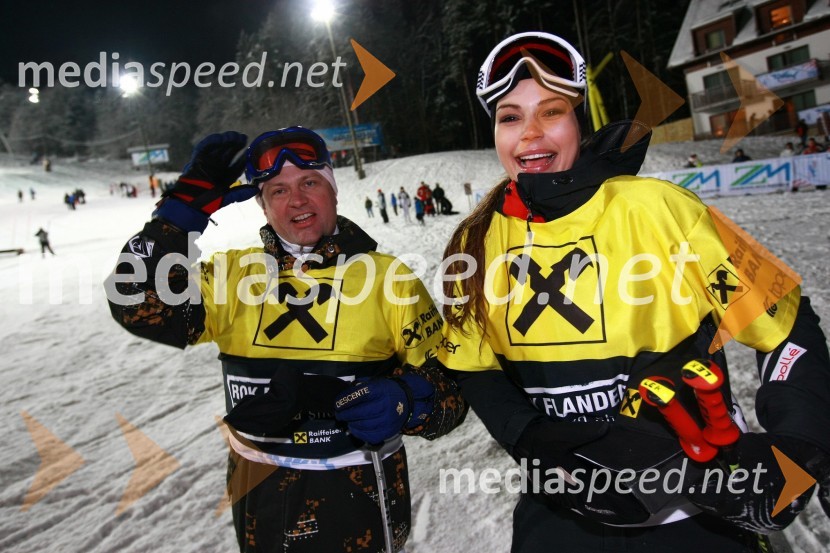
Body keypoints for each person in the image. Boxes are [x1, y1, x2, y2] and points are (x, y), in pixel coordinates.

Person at [436, 31, 830, 552]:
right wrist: (533, 440)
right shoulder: (476, 241)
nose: (529, 133)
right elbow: (472, 365)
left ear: (580, 123)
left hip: (697, 515)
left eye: (551, 112)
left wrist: (796, 444)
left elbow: (784, 321)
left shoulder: (658, 209)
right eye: (510, 117)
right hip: (560, 516)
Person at [105, 127, 466, 553]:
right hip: (260, 503)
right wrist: (177, 217)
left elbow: (453, 389)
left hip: (359, 505)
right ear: (262, 206)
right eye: (278, 190)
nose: (296, 200)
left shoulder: (391, 279)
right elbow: (135, 303)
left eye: (310, 183)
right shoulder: (232, 276)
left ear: (333, 192)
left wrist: (411, 396)